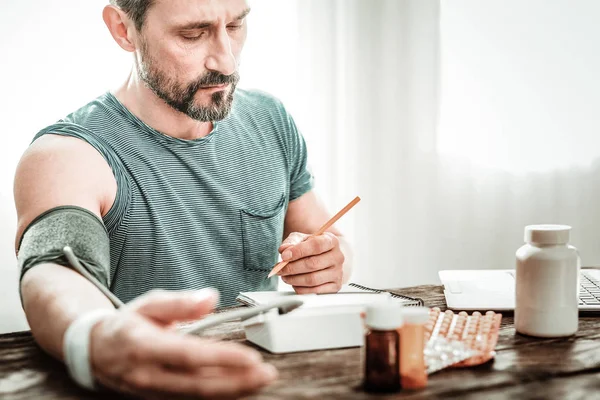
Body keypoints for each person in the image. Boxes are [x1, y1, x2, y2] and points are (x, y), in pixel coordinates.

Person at [13, 0, 354, 398]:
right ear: (124, 29)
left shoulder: (271, 120)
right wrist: (96, 335)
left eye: (236, 26)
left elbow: (328, 240)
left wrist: (332, 262)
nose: (226, 62)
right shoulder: (67, 154)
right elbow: (52, 271)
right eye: (192, 34)